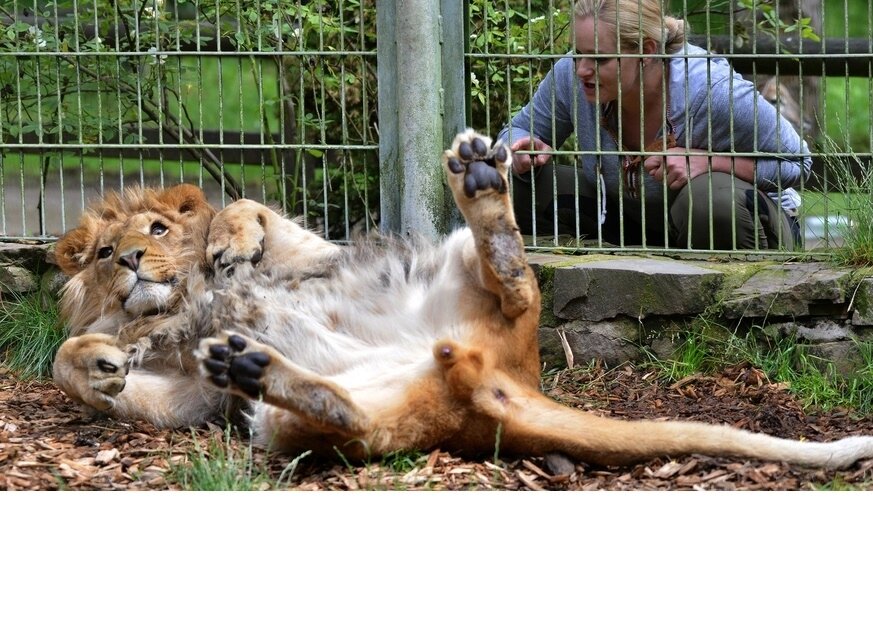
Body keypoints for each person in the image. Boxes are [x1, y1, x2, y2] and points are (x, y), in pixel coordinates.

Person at [497, 0, 811, 250]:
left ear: (646, 51)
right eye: (578, 54)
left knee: (708, 201)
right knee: (508, 181)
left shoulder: (712, 90)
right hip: (630, 218)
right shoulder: (573, 73)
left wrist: (709, 162)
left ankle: (726, 314)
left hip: (749, 224)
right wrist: (521, 146)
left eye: (599, 58)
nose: (581, 70)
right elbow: (516, 131)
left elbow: (800, 162)